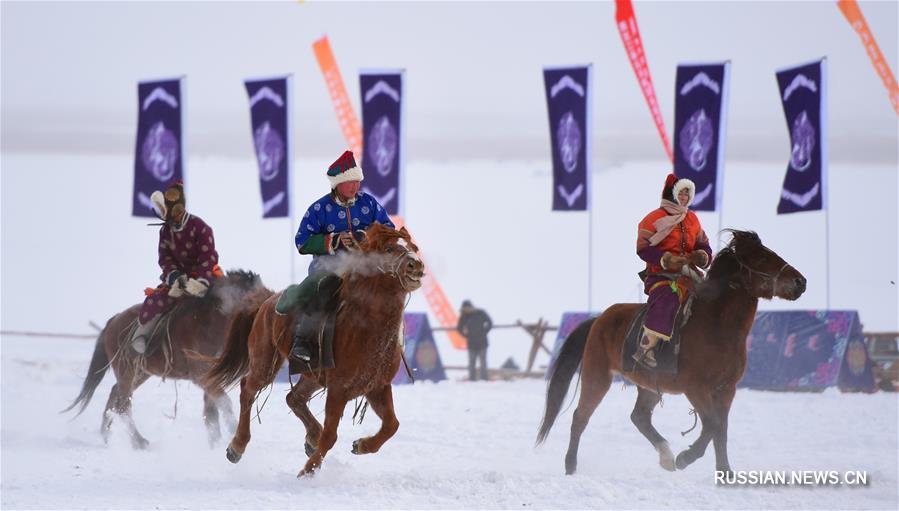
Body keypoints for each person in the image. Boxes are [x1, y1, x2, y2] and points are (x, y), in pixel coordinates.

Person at [288, 150, 394, 362]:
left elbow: (388, 230)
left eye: (357, 181)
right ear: (337, 184)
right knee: (324, 289)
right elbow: (302, 241)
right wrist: (333, 241)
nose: (355, 187)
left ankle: (390, 344)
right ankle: (304, 341)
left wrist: (364, 236)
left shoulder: (369, 204)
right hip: (327, 265)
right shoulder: (319, 208)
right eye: (349, 182)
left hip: (364, 264)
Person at [131, 181, 222, 354]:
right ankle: (142, 334)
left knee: (222, 303)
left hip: (205, 277)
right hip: (177, 281)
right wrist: (174, 276)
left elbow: (207, 256)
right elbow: (164, 258)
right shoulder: (164, 231)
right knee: (155, 301)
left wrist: (200, 281)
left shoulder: (201, 228)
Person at [633, 173, 712, 368]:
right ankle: (646, 348)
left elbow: (705, 246)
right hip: (661, 275)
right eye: (681, 193)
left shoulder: (693, 219)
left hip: (691, 275)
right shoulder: (653, 218)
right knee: (668, 297)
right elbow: (642, 248)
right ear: (672, 193)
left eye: (687, 193)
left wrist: (702, 256)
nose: (684, 197)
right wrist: (666, 259)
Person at [457, 300, 492, 381]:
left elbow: (490, 323)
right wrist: (465, 334)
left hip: (482, 342)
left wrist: (484, 332)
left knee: (483, 363)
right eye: (464, 308)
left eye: (467, 308)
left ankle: (484, 379)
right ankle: (472, 380)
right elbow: (459, 328)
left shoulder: (481, 313)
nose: (466, 310)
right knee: (471, 363)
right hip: (471, 343)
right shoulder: (464, 316)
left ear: (471, 307)